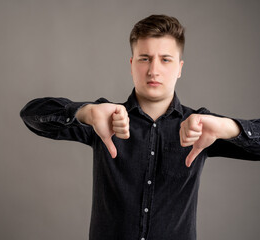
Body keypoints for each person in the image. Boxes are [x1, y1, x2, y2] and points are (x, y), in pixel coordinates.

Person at [20, 15, 260, 240]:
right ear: (132, 64)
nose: (153, 70)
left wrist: (230, 128)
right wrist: (84, 112)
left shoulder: (202, 126)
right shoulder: (105, 119)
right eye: (145, 59)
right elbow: (31, 115)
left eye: (166, 59)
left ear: (180, 68)